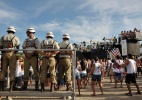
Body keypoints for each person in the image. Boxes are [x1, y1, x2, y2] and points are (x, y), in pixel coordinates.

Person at [0, 26, 20, 91]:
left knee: (3, 70)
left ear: (8, 31)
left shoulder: (3, 37)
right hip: (12, 53)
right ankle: (11, 87)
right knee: (12, 70)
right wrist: (14, 52)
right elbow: (17, 47)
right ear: (13, 31)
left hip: (4, 54)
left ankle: (1, 87)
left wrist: (3, 52)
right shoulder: (15, 37)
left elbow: (0, 46)